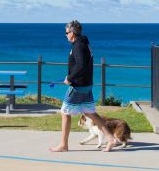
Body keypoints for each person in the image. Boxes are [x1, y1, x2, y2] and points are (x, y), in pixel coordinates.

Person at [49, 20, 117, 153]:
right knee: (90, 112)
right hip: (86, 85)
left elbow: (81, 65)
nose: (66, 35)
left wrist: (69, 78)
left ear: (73, 33)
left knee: (65, 112)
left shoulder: (78, 46)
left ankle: (63, 145)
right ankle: (110, 138)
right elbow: (83, 65)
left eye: (67, 32)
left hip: (78, 87)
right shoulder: (84, 43)